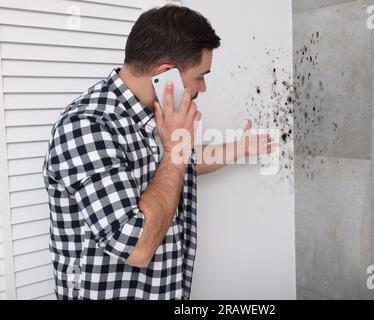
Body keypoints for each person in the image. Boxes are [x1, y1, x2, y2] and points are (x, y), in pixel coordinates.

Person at [42, 5, 275, 300]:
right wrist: (177, 148)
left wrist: (240, 147)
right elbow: (137, 246)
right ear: (166, 75)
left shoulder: (154, 115)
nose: (202, 88)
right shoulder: (87, 126)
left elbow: (179, 164)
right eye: (201, 75)